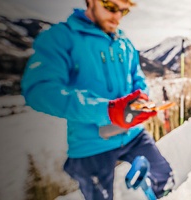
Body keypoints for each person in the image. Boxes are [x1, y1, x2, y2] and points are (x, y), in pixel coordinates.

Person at [21, 0, 174, 199]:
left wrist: (141, 101)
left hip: (132, 134)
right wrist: (106, 110)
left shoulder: (123, 41)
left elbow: (137, 77)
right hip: (91, 144)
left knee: (164, 176)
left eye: (123, 10)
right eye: (110, 7)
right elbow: (39, 89)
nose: (117, 16)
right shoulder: (62, 37)